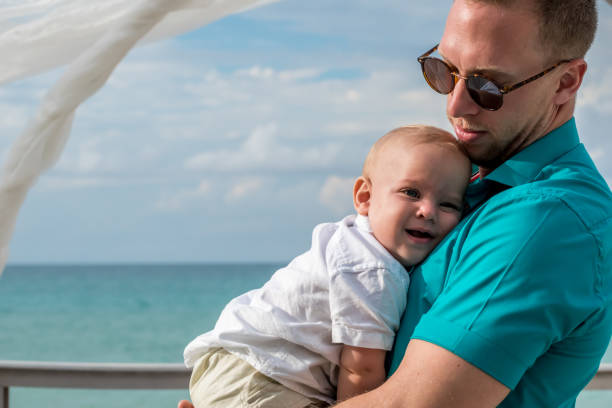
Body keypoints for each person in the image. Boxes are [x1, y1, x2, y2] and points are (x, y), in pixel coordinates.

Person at [332, 0, 612, 407]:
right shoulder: (475, 189)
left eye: (488, 87)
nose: (455, 106)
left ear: (566, 82)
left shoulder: (544, 218)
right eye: (444, 72)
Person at [180, 125, 472, 407]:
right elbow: (361, 372)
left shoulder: (351, 239)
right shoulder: (373, 271)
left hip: (241, 367)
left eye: (448, 204)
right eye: (411, 192)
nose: (428, 211)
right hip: (262, 377)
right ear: (365, 198)